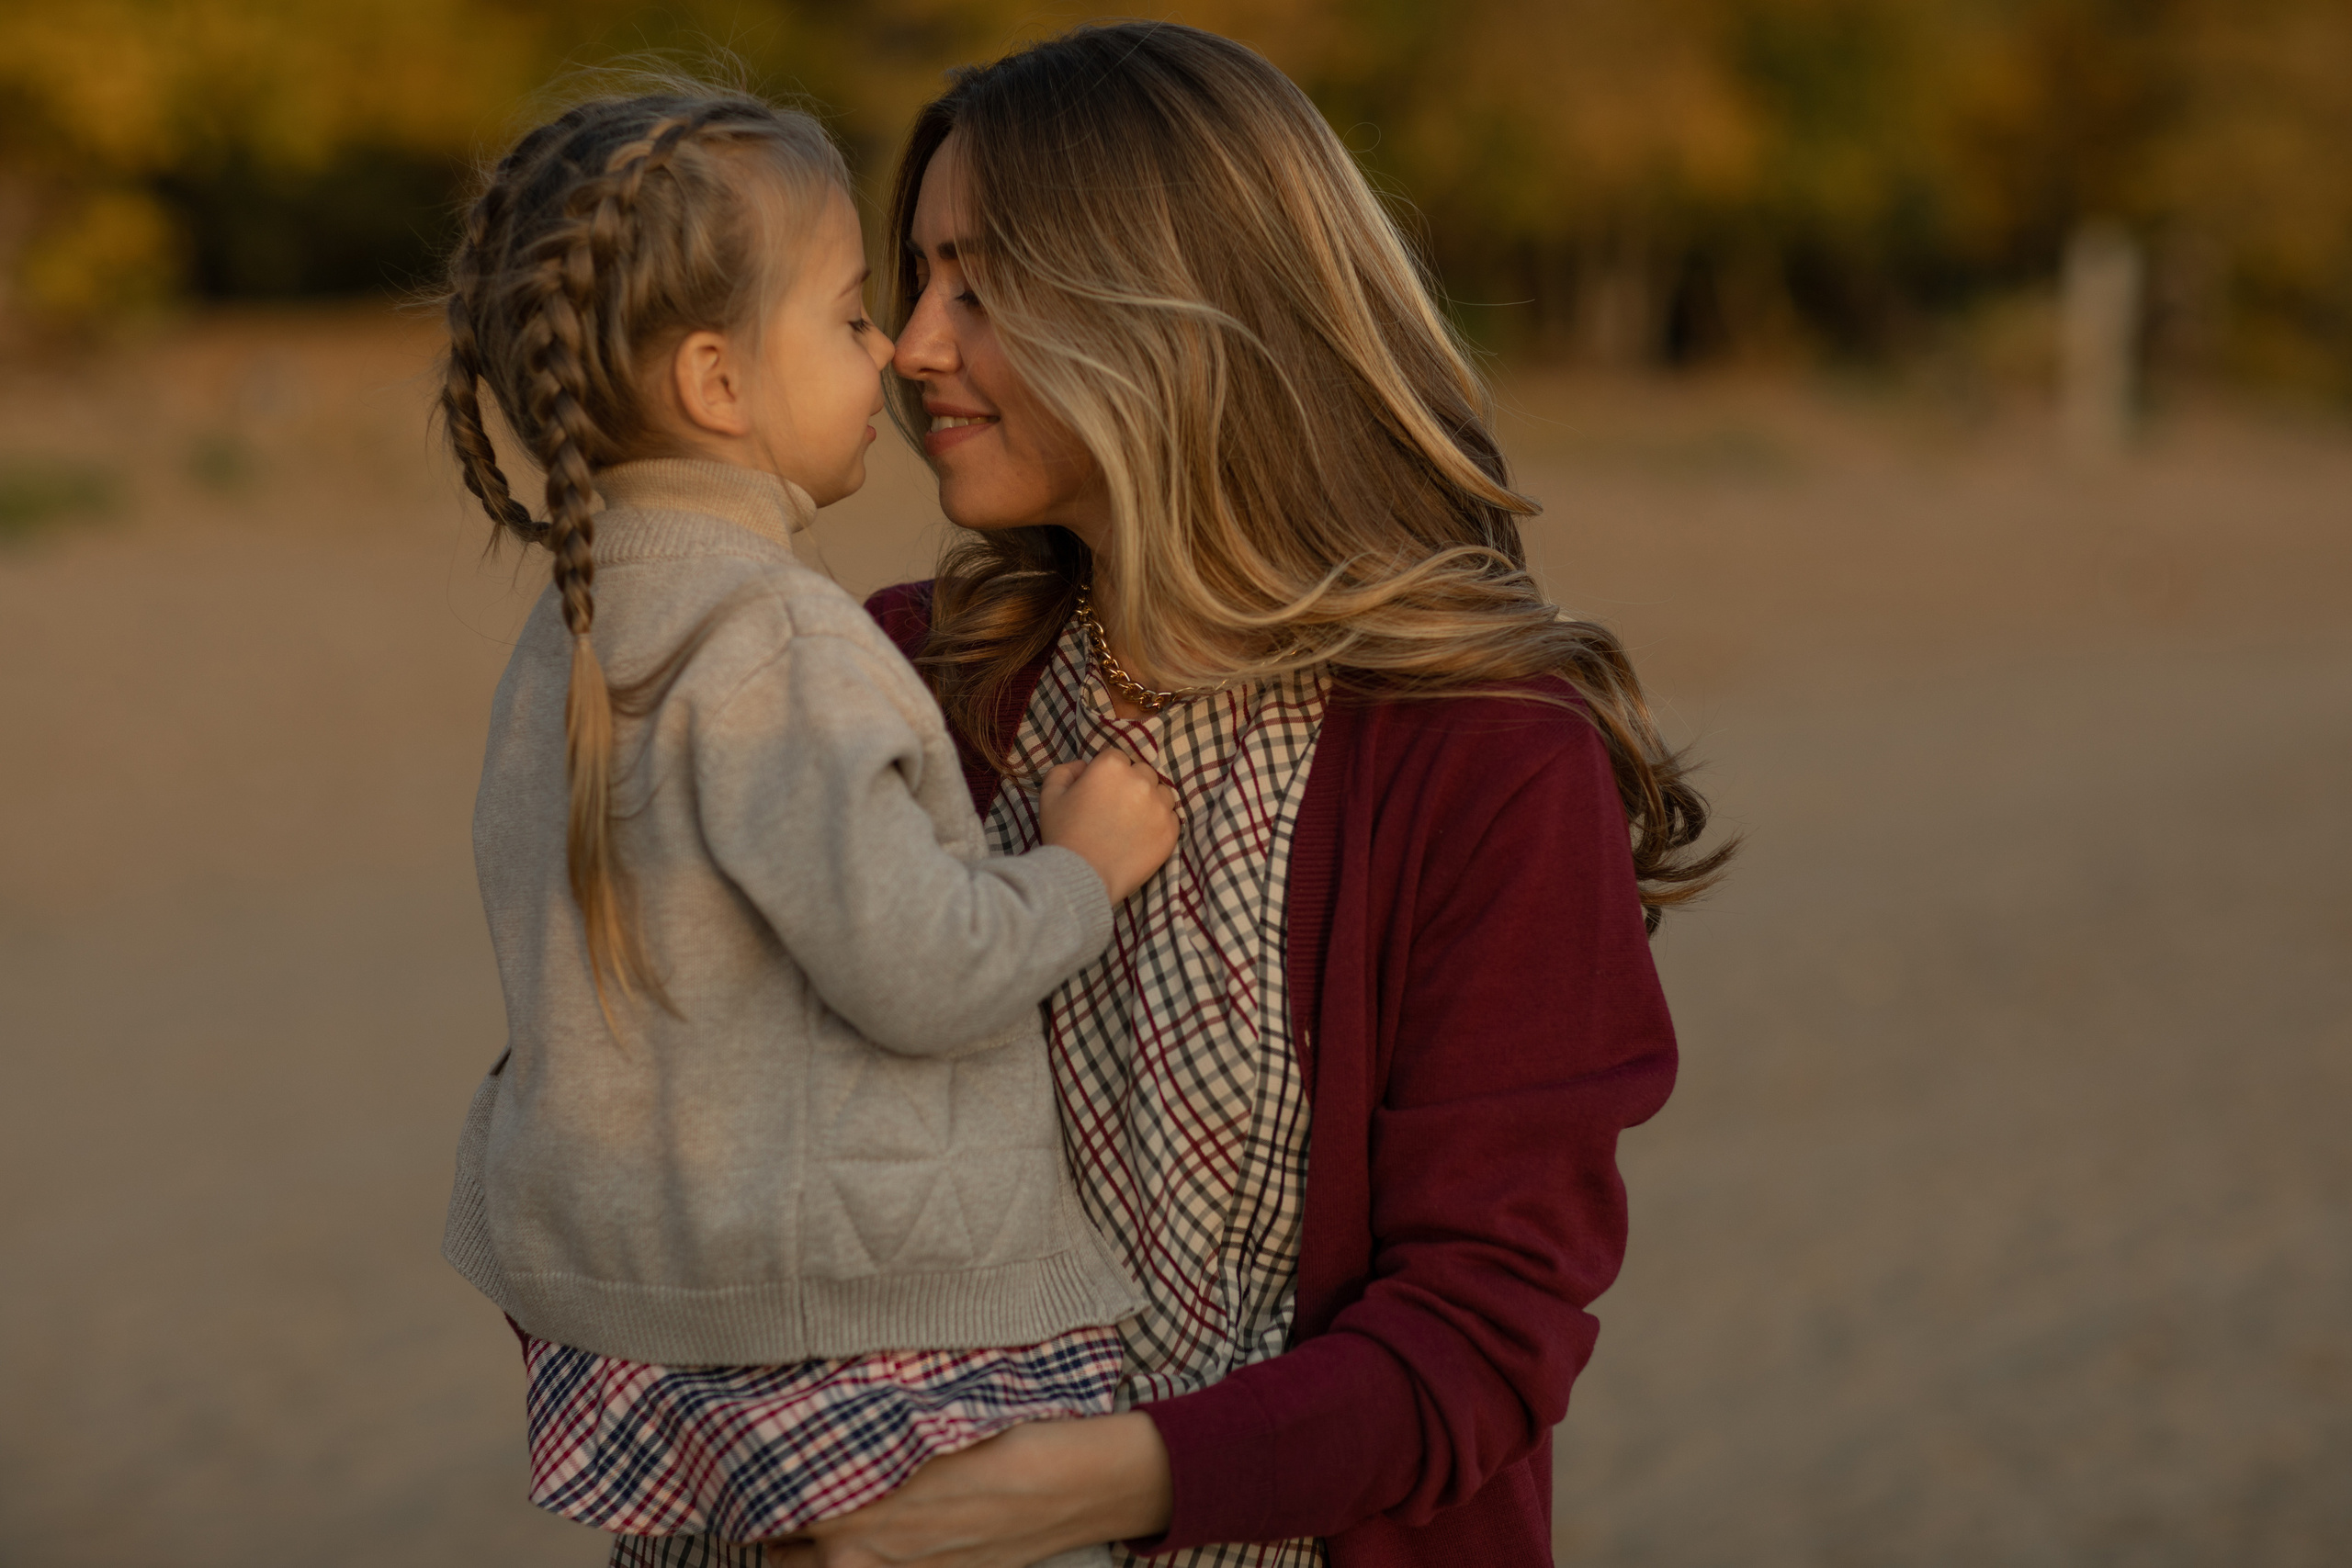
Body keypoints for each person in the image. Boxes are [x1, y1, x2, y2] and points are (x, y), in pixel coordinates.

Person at [766, 22, 1734, 1568]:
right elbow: (667, 1092)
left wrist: (1065, 1493)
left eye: (984, 284)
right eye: (919, 276)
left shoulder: (1484, 759)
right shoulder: (896, 679)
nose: (915, 344)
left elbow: (1483, 1335)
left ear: (1176, 312)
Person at [430, 85, 1181, 1566]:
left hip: (635, 1305)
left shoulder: (573, 630)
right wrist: (1078, 871)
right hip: (844, 1320)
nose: (895, 351)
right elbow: (920, 968)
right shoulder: (781, 637)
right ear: (717, 381)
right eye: (849, 317)